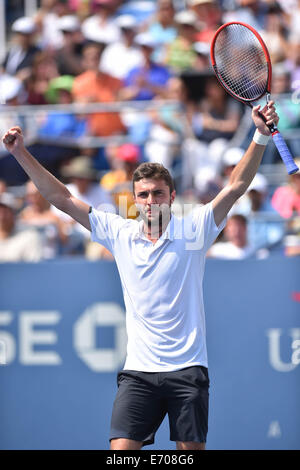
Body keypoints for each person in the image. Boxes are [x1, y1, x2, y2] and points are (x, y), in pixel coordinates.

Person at [2, 100, 279, 449]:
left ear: (172, 196)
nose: (150, 201)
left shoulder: (195, 229)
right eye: (143, 195)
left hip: (188, 367)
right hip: (139, 373)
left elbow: (236, 186)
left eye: (158, 193)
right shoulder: (118, 232)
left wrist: (259, 134)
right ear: (134, 201)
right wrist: (20, 153)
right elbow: (61, 197)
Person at [0, 192, 43, 262]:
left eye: (5, 211)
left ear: (14, 214)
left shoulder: (30, 236)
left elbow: (34, 269)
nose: (1, 216)